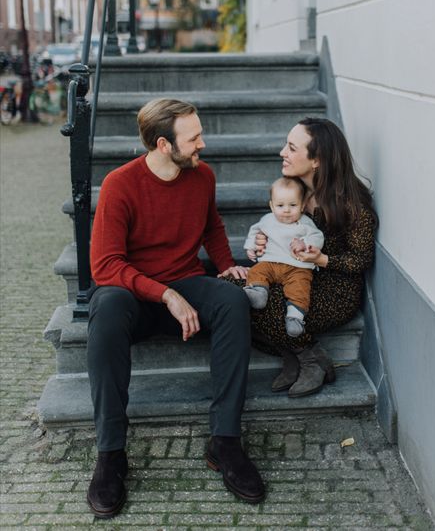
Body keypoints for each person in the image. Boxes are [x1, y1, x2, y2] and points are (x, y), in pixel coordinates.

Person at [86, 98, 265, 518]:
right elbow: (105, 265)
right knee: (106, 309)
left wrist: (225, 267)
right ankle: (111, 454)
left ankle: (225, 442)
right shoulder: (120, 184)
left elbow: (211, 226)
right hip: (133, 294)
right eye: (195, 137)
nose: (203, 144)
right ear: (164, 144)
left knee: (232, 303)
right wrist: (165, 294)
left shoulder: (201, 176)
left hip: (186, 282)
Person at [250, 117, 378, 398]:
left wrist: (322, 260)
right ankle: (303, 355)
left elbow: (361, 259)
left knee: (268, 306)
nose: (282, 152)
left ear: (317, 159)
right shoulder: (292, 191)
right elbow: (274, 232)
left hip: (334, 290)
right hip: (289, 275)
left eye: (292, 147)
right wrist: (262, 241)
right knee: (235, 294)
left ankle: (305, 360)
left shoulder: (351, 204)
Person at [243, 177, 324, 338]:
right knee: (257, 271)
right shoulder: (266, 220)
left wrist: (304, 243)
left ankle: (295, 317)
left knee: (300, 288)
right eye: (280, 205)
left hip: (297, 267)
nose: (286, 210)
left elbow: (318, 237)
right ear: (272, 206)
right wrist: (250, 247)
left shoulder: (305, 223)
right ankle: (259, 292)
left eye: (292, 205)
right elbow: (254, 231)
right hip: (270, 263)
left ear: (301, 206)